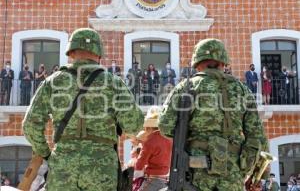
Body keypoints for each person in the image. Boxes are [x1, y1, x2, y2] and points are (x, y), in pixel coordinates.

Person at [23, 28, 144, 191]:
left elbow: (30, 125)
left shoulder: (53, 82)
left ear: (71, 53)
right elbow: (134, 125)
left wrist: (47, 154)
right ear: (99, 53)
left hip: (63, 166)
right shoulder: (114, 83)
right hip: (101, 169)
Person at [159, 39, 268, 191]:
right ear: (223, 63)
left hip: (195, 172)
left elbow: (165, 126)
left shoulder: (186, 87)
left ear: (197, 63)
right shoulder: (242, 90)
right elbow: (258, 136)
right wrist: (257, 175)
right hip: (233, 173)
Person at [134, 106, 172, 191]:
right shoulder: (170, 139)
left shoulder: (150, 141)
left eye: (146, 128)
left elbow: (140, 164)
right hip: (166, 179)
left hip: (152, 180)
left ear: (150, 127)